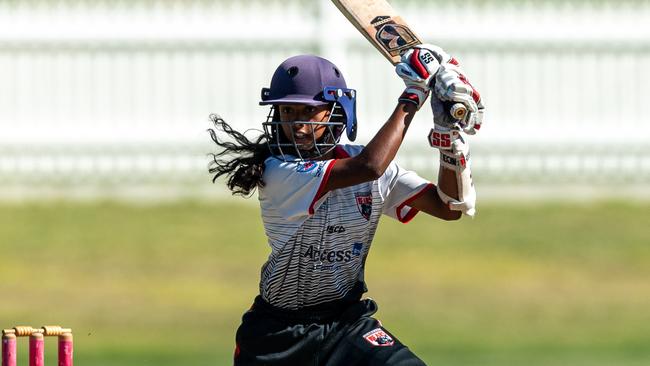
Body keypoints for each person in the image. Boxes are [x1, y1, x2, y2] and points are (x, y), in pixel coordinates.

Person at [208, 44, 484, 366]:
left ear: (338, 109)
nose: (297, 124)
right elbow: (370, 166)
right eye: (288, 111)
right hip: (278, 335)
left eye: (309, 111)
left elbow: (446, 208)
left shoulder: (364, 165)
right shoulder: (279, 172)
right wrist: (413, 96)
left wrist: (448, 139)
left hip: (346, 325)